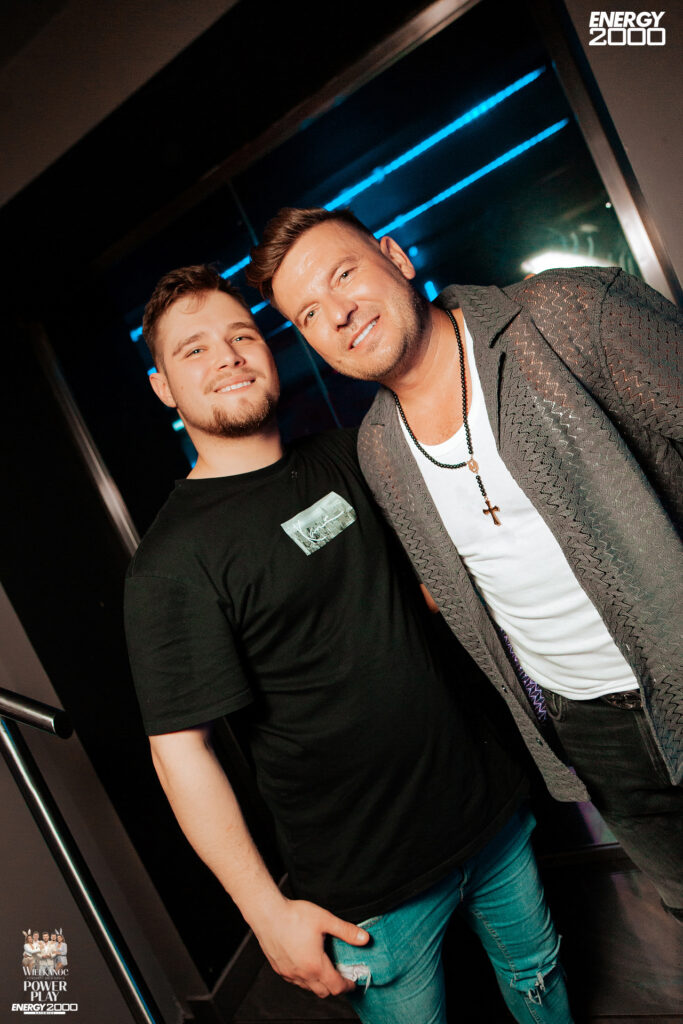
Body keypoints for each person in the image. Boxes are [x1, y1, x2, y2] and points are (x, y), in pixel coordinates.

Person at [124, 264, 574, 1023]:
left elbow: (424, 585)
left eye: (241, 337)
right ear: (162, 386)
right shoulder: (173, 563)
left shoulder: (349, 454)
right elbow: (179, 753)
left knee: (541, 980)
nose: (227, 357)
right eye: (193, 350)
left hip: (486, 815)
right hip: (369, 892)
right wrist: (266, 912)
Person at [248, 206, 683, 921]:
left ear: (396, 257)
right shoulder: (379, 450)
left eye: (344, 274)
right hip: (589, 732)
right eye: (309, 314)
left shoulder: (565, 313)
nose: (339, 314)